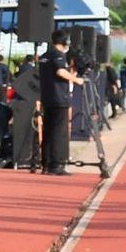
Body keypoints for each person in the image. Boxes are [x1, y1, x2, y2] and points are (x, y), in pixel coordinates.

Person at [34, 40, 81, 174]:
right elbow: (60, 71)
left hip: (47, 97)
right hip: (59, 98)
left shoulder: (44, 56)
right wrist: (76, 79)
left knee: (48, 131)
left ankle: (46, 163)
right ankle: (57, 164)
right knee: (60, 132)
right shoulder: (58, 55)